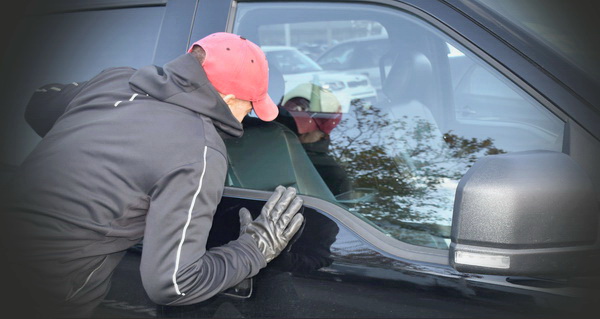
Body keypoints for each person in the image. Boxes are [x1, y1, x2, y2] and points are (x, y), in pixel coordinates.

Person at [0, 32, 304, 318]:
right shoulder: (199, 151)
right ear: (228, 99)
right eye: (250, 106)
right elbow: (174, 284)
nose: (248, 116)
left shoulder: (114, 81)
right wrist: (255, 249)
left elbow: (38, 102)